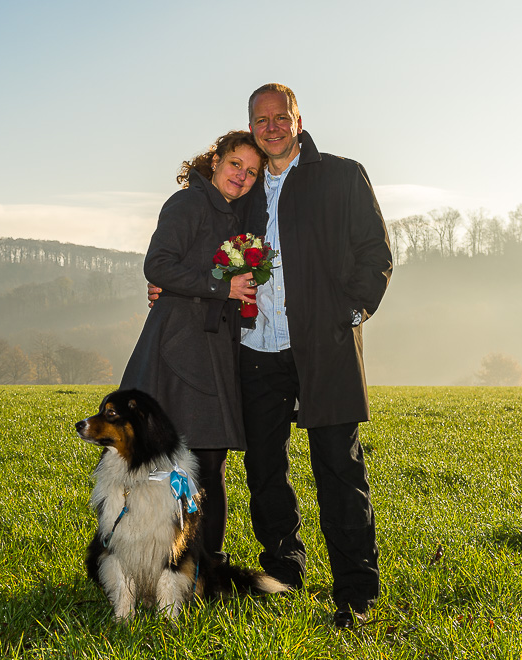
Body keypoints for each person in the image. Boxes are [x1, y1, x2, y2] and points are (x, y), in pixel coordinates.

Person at [150, 84, 393, 629]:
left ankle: (356, 594)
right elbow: (201, 248)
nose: (271, 126)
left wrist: (349, 314)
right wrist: (169, 287)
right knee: (264, 471)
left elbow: (375, 253)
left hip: (323, 348)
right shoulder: (246, 193)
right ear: (251, 125)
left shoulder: (340, 175)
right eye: (260, 119)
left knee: (339, 468)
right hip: (256, 348)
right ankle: (284, 573)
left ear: (297, 120)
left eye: (280, 117)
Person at [120, 130, 265, 562]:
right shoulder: (188, 202)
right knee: (184, 462)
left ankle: (199, 565)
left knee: (207, 462)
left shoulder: (232, 214)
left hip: (212, 348)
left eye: (252, 172)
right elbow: (158, 264)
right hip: (179, 349)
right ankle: (171, 563)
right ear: (216, 160)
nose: (242, 176)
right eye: (235, 163)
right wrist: (222, 286)